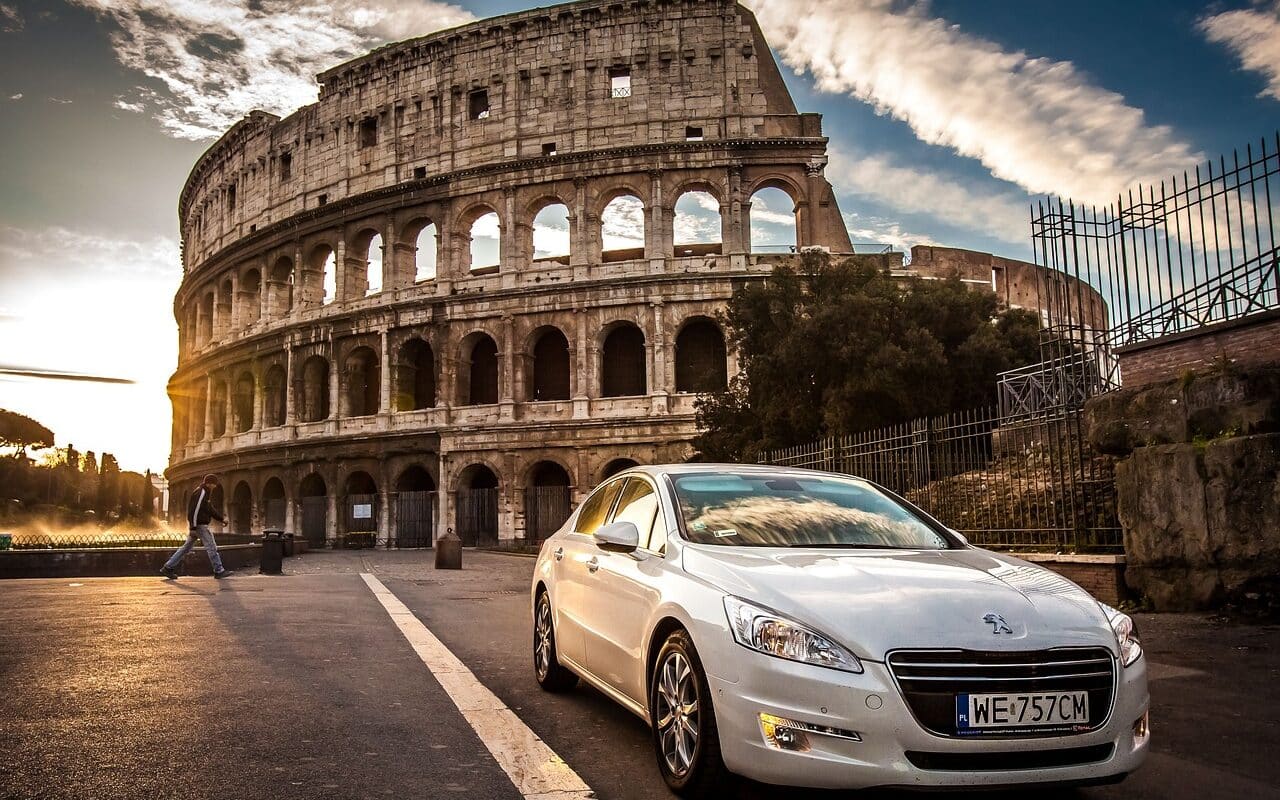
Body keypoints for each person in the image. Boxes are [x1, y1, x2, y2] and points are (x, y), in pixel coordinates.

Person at [161, 474, 233, 579]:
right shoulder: (202, 493)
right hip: (200, 526)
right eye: (214, 484)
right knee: (211, 547)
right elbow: (194, 511)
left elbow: (209, 509)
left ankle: (168, 567)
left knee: (186, 548)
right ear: (209, 483)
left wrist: (221, 519)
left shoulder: (204, 493)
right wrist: (193, 528)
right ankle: (219, 570)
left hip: (197, 525)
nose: (215, 486)